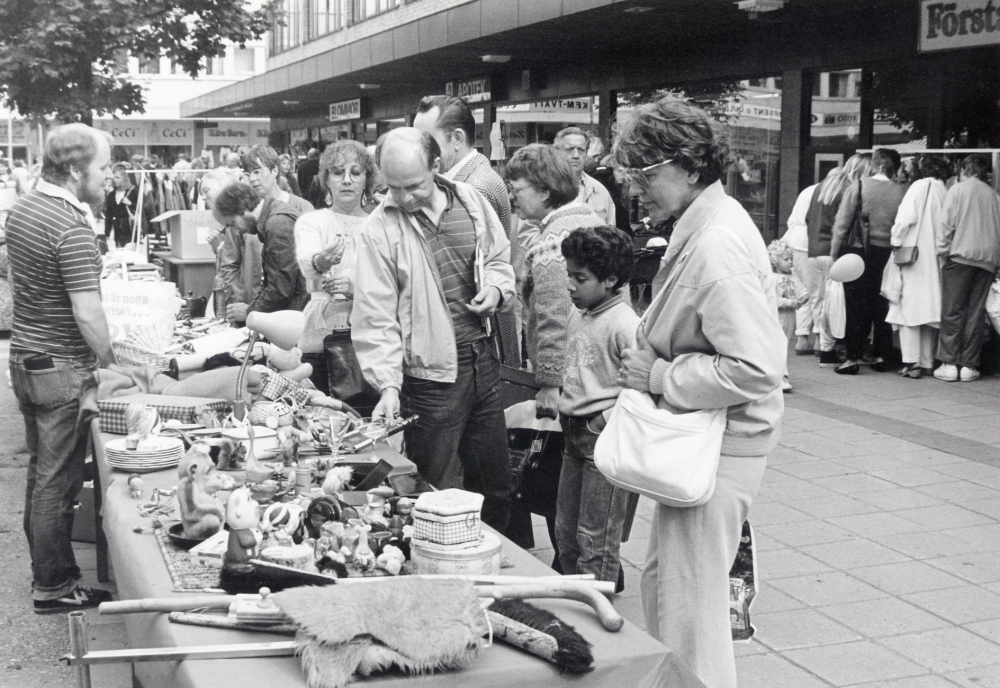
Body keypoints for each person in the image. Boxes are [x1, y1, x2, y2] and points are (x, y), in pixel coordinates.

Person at [613, 97, 785, 688]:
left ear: (691, 168)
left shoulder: (714, 242)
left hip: (719, 443)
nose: (638, 189)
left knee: (691, 616)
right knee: (670, 589)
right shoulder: (706, 226)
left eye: (647, 173)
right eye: (632, 174)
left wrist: (659, 376)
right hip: (709, 441)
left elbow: (755, 369)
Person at [351, 128, 514, 532]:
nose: (403, 198)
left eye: (413, 186)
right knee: (430, 492)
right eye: (393, 187)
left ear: (436, 166)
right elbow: (375, 317)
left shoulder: (472, 200)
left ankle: (498, 579)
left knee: (495, 487)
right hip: (429, 379)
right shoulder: (378, 229)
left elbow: (498, 257)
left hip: (483, 361)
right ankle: (432, 577)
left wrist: (496, 288)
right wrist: (388, 385)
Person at [6, 123, 116, 613]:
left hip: (26, 360)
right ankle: (52, 586)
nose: (111, 177)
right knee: (58, 483)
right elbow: (87, 312)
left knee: (40, 476)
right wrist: (112, 364)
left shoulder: (23, 208)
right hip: (61, 368)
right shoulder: (72, 226)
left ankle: (51, 575)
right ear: (75, 170)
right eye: (105, 167)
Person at [555, 224, 638, 586]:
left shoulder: (625, 324)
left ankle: (598, 605)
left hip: (600, 436)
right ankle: (576, 595)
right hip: (571, 432)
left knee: (596, 533)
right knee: (566, 528)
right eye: (568, 275)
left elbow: (641, 384)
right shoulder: (580, 312)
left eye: (581, 277)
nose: (570, 285)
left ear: (610, 280)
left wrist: (606, 418)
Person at [413, 94, 520, 366]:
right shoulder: (464, 180)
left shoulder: (474, 188)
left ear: (457, 138)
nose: (419, 150)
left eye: (426, 140)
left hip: (481, 341)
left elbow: (482, 269)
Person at [508, 143, 604, 419]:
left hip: (572, 383)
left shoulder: (551, 244)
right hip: (597, 371)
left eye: (518, 190)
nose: (513, 198)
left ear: (545, 191)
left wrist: (550, 383)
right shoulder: (589, 219)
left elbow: (554, 316)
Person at [294, 140, 376, 395]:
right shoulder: (312, 222)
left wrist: (359, 290)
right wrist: (322, 261)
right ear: (326, 179)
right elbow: (309, 261)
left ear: (367, 179)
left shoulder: (380, 224)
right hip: (319, 333)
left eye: (355, 172)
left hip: (369, 332)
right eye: (338, 172)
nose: (346, 180)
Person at [829, 148, 905, 375]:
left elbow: (842, 224)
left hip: (857, 252)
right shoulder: (902, 191)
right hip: (887, 255)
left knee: (854, 304)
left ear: (876, 164)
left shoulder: (859, 186)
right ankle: (881, 356)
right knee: (880, 303)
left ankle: (852, 358)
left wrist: (835, 254)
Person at [934, 154, 1000, 382]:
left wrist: (942, 250)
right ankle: (969, 365)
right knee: (975, 313)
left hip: (960, 257)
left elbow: (945, 224)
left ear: (964, 170)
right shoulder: (994, 196)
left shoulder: (958, 190)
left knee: (953, 311)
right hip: (988, 261)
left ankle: (949, 363)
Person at [884, 155, 949, 379]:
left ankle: (911, 363)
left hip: (914, 257)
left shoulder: (919, 186)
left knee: (908, 309)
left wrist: (895, 242)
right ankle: (927, 360)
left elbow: (905, 218)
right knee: (929, 310)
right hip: (935, 258)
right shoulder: (944, 189)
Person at [805, 154, 872, 367]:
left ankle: (822, 346)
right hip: (834, 254)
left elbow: (808, 219)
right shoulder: (847, 189)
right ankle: (830, 349)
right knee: (836, 304)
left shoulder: (821, 187)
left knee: (821, 301)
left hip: (814, 251)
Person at [213, 181, 308, 323]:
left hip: (299, 317)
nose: (237, 231)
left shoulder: (277, 225)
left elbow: (280, 290)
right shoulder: (276, 216)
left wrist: (249, 312)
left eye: (232, 223)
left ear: (243, 211)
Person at [553, 127, 616, 226]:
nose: (576, 155)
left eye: (581, 150)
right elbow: (529, 235)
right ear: (556, 153)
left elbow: (610, 232)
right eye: (570, 149)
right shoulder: (543, 188)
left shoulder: (599, 190)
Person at [769, 239, 809, 391]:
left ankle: (779, 375)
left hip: (789, 317)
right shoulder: (771, 279)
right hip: (776, 317)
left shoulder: (793, 278)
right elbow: (772, 299)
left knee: (783, 345)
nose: (790, 262)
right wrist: (790, 303)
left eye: (791, 259)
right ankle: (781, 375)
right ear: (775, 260)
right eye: (785, 259)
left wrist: (804, 296)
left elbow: (802, 289)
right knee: (777, 345)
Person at [784, 181, 819, 355]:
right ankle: (820, 339)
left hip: (794, 243)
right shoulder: (826, 191)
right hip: (811, 246)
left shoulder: (806, 190)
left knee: (803, 292)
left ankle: (802, 338)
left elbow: (791, 220)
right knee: (818, 294)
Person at [242, 145, 314, 215]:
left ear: (274, 171)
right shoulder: (245, 210)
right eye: (247, 174)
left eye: (257, 172)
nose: (251, 179)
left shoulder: (302, 207)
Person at [103, 163, 142, 249]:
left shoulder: (133, 191)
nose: (115, 180)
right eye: (114, 178)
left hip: (130, 228)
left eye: (118, 178)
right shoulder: (111, 195)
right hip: (117, 229)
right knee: (119, 251)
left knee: (130, 252)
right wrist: (107, 233)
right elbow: (108, 215)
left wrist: (130, 203)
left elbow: (142, 208)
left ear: (124, 179)